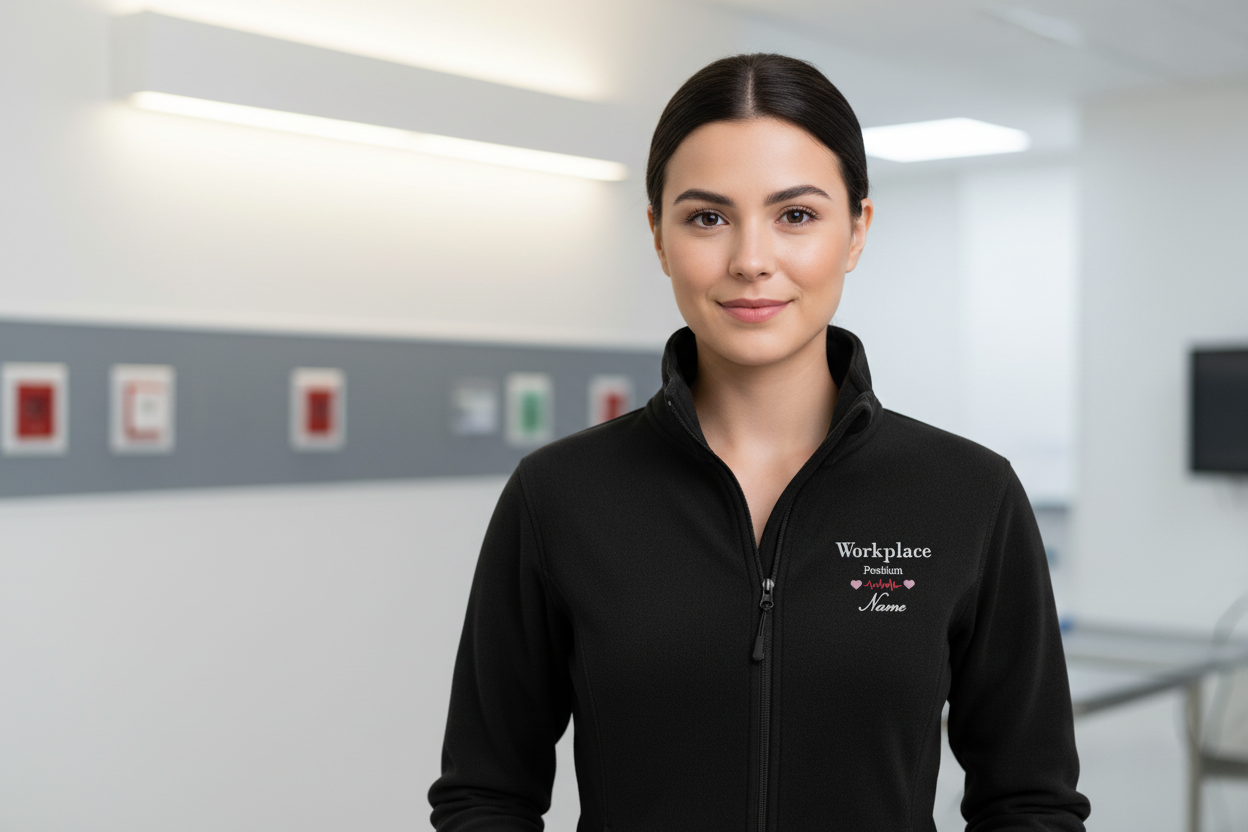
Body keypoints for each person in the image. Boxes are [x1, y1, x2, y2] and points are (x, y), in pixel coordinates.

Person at [429, 53, 1090, 831]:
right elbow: (484, 794)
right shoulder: (558, 496)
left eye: (796, 215)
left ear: (856, 230)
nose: (750, 260)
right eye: (707, 217)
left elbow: (1031, 801)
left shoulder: (969, 497)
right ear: (658, 235)